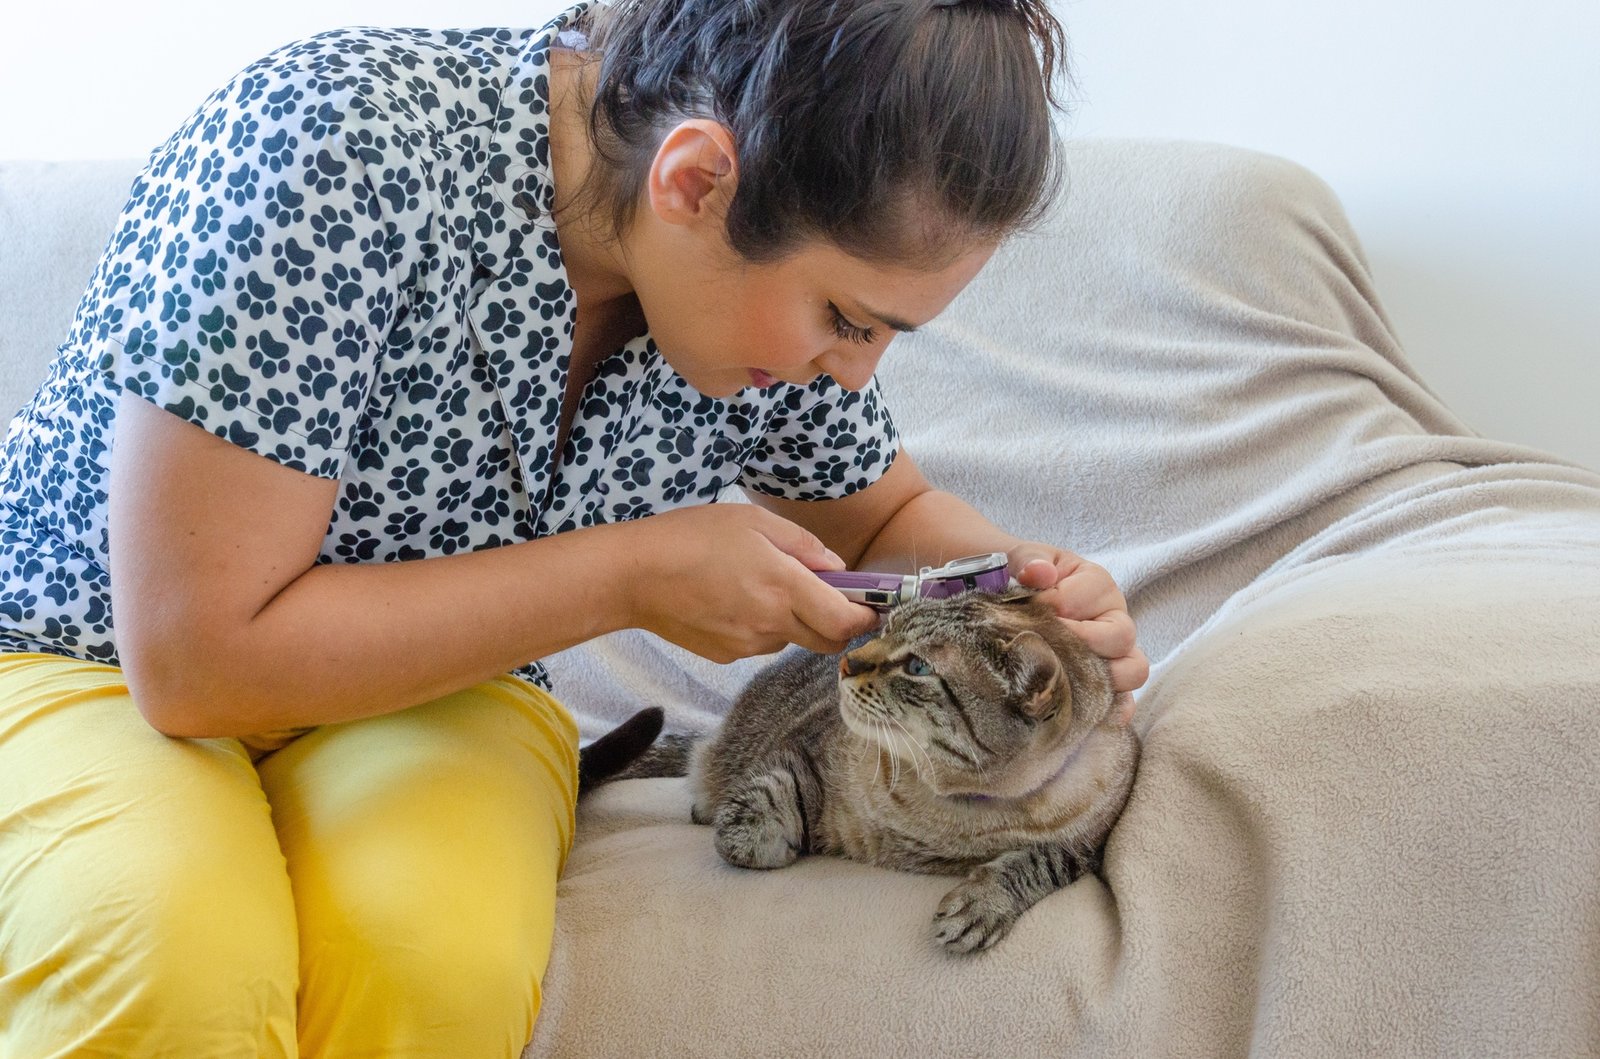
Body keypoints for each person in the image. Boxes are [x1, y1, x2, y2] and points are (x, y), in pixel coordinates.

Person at [0, 0, 1148, 1054]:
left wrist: (1023, 595)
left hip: (443, 690)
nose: (849, 378)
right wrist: (625, 577)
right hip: (80, 658)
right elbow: (196, 666)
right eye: (846, 320)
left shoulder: (745, 294)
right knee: (164, 960)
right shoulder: (332, 145)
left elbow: (887, 517)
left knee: (431, 964)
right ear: (696, 182)